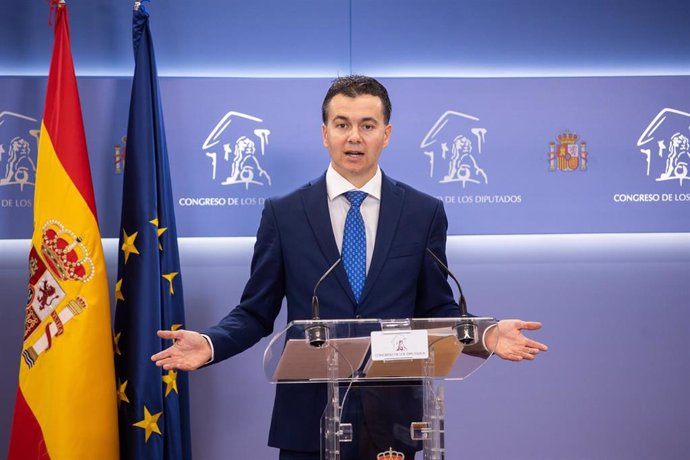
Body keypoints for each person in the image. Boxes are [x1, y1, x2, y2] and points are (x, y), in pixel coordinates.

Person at [152, 75, 548, 459]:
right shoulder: (285, 214)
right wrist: (210, 343)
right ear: (325, 133)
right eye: (342, 124)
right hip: (309, 423)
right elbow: (256, 312)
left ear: (386, 135)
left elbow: (436, 309)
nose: (354, 136)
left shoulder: (422, 213)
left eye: (367, 125)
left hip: (395, 423)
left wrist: (487, 334)